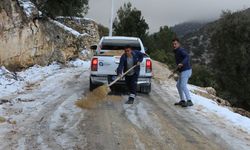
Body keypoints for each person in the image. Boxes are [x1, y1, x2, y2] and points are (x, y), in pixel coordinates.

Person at [172, 38, 193, 107]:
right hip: (182, 71)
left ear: (179, 44)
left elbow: (187, 57)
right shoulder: (176, 51)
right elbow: (179, 64)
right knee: (178, 85)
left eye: (175, 44)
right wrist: (176, 70)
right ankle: (182, 100)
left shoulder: (181, 50)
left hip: (186, 70)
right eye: (173, 44)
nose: (174, 45)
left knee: (183, 85)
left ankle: (189, 101)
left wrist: (182, 63)